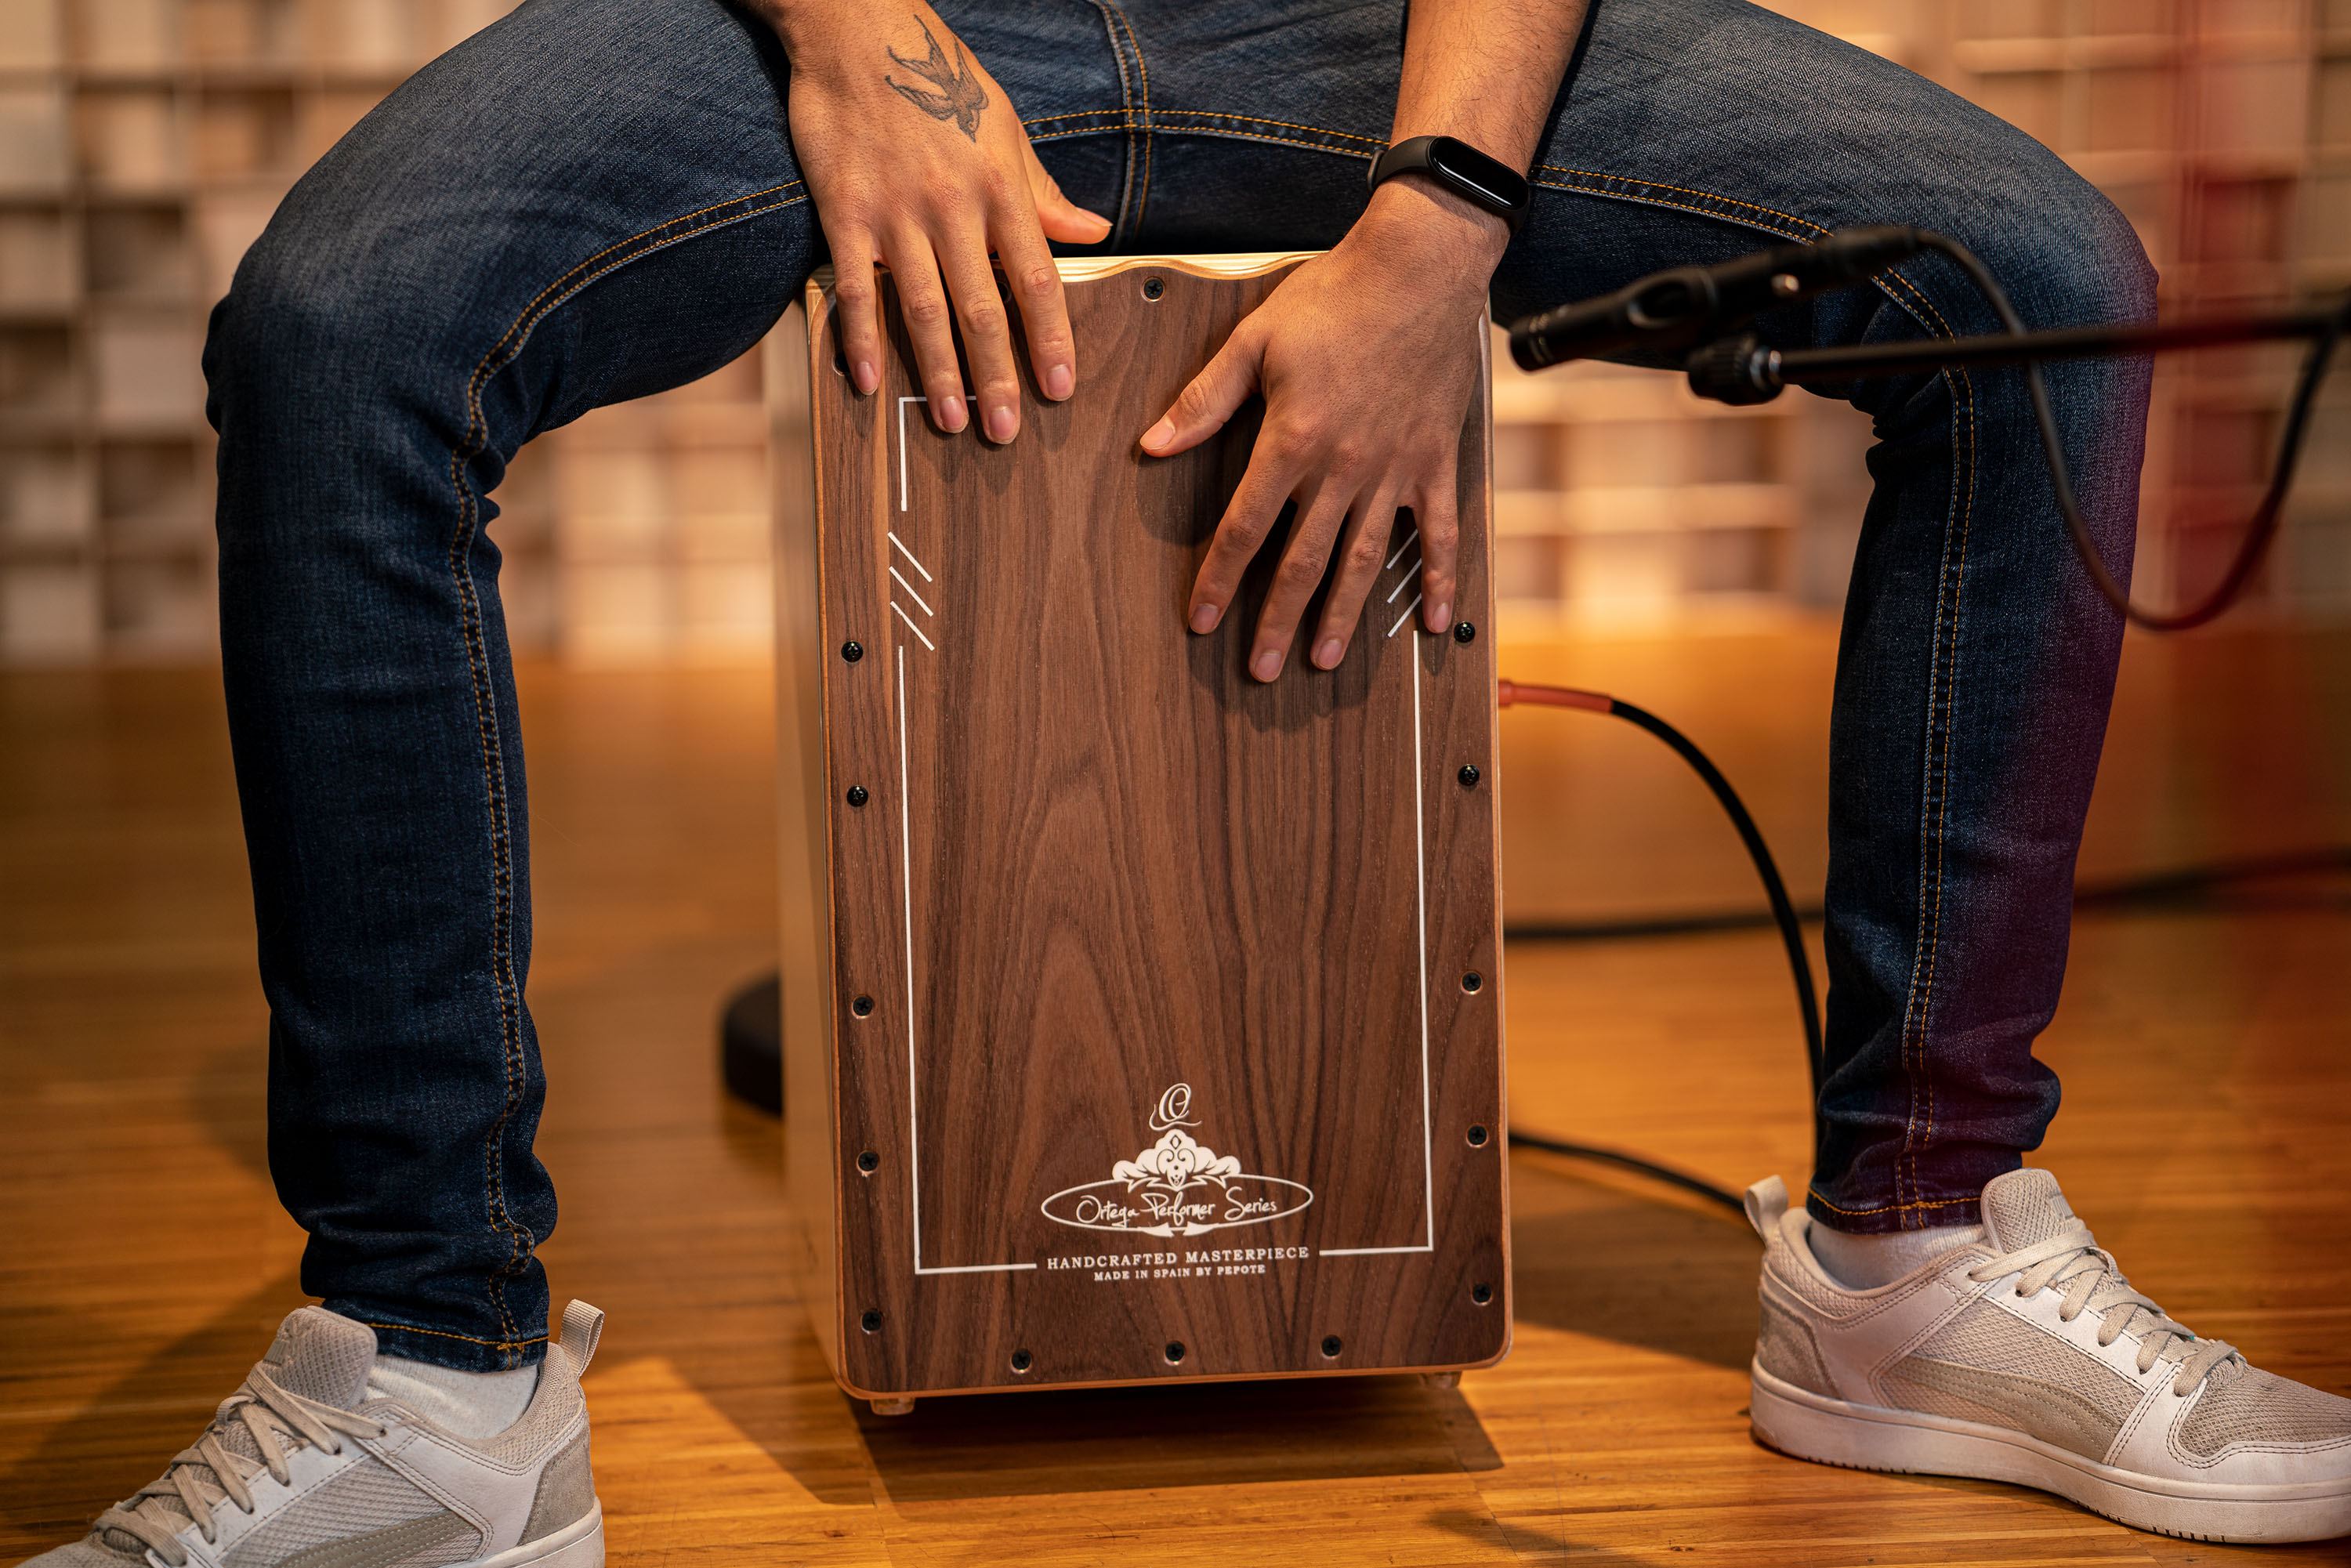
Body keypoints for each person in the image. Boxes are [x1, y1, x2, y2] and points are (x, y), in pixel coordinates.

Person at [26, 0, 2351, 1562]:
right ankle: (432, 1381)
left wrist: (1445, 210)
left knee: (2032, 269)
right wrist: (849, 36)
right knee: (343, 331)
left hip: (1380, 30)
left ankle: (1916, 1254)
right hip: (888, 12)